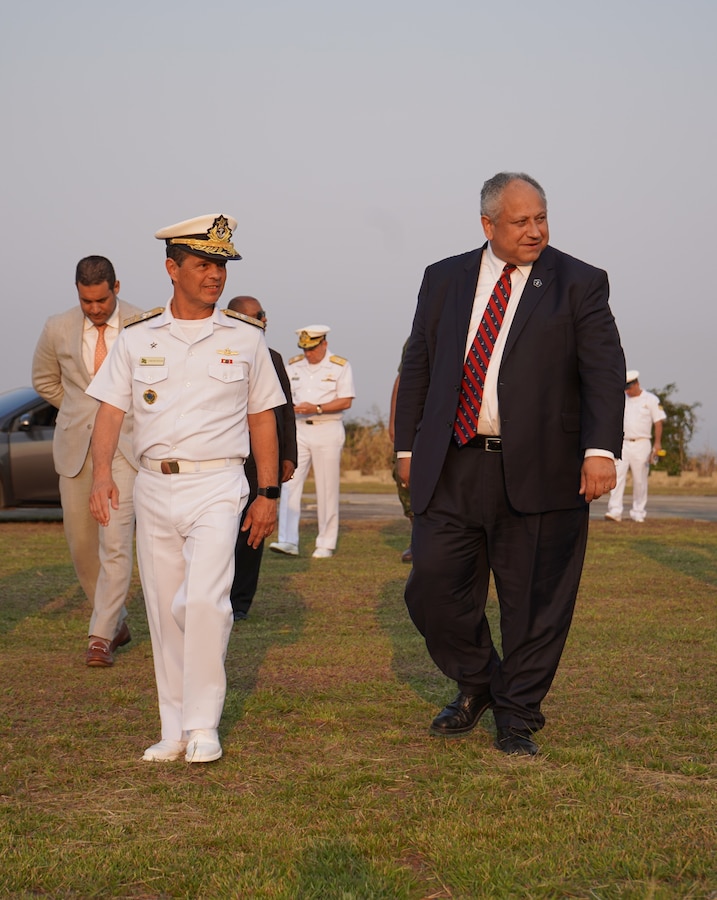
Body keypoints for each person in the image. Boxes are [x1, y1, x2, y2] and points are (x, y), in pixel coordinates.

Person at [394, 172, 625, 756]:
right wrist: (407, 446)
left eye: (541, 218)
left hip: (545, 468)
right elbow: (419, 360)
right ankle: (478, 680)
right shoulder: (444, 278)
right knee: (433, 588)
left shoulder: (579, 282)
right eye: (521, 221)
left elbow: (602, 371)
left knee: (536, 603)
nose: (535, 231)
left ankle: (518, 714)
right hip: (453, 463)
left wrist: (600, 450)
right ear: (487, 225)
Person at [87, 214, 286, 764]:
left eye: (221, 265)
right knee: (162, 608)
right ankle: (173, 728)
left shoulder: (245, 339)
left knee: (204, 602)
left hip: (220, 483)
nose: (215, 276)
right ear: (172, 269)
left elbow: (263, 417)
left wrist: (267, 493)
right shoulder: (137, 338)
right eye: (204, 264)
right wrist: (102, 474)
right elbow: (109, 410)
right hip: (153, 485)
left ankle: (204, 723)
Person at [32, 256, 142, 667]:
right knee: (82, 547)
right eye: (85, 301)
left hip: (125, 450)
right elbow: (44, 380)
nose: (94, 309)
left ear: (116, 286)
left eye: (100, 300)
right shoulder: (56, 327)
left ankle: (100, 635)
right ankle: (117, 621)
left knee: (114, 542)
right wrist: (80, 409)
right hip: (76, 449)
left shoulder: (144, 323)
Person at [227, 296, 297, 620]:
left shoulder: (273, 357)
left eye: (263, 315)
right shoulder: (219, 353)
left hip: (261, 465)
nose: (263, 321)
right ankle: (216, 598)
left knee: (252, 536)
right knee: (222, 536)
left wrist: (288, 456)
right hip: (226, 460)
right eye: (255, 317)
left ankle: (240, 603)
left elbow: (285, 412)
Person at [269, 325, 355, 559]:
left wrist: (316, 408)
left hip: (327, 428)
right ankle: (287, 540)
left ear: (324, 344)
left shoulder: (339, 366)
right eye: (305, 349)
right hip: (298, 429)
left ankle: (325, 542)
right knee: (289, 482)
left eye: (313, 348)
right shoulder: (294, 365)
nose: (309, 353)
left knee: (327, 488)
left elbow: (346, 400)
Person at [605, 370, 666, 523]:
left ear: (637, 384)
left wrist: (657, 444)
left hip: (642, 443)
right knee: (618, 477)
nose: (628, 391)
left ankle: (638, 512)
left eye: (629, 388)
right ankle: (614, 510)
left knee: (640, 480)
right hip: (623, 443)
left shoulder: (650, 399)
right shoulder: (622, 399)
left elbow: (658, 422)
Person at [388, 339, 413, 563]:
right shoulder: (417, 336)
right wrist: (395, 422)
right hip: (418, 419)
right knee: (404, 479)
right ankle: (417, 538)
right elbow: (403, 380)